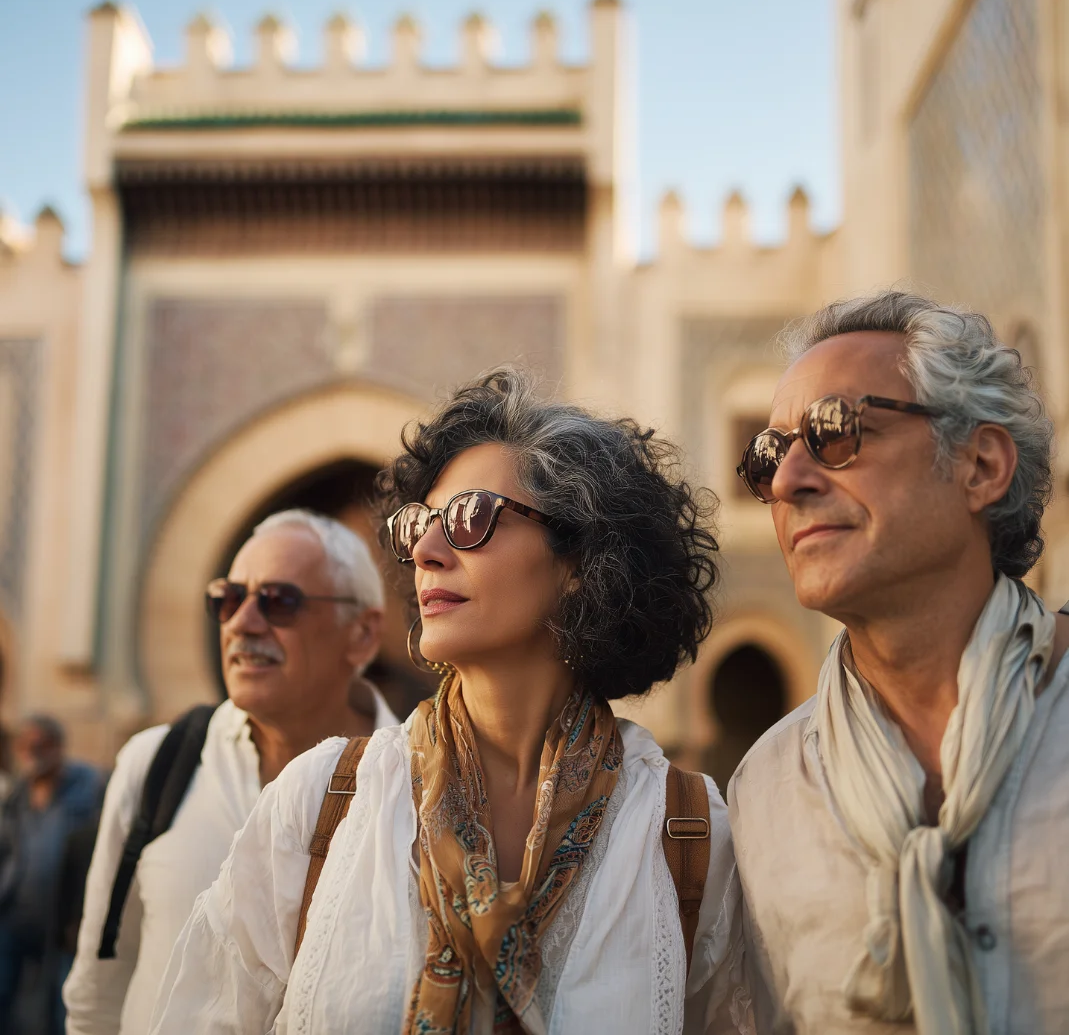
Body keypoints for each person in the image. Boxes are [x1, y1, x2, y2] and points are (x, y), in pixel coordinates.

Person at [149, 369, 750, 1034]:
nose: (426, 553)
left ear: (579, 558)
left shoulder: (682, 834)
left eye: (470, 518)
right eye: (418, 525)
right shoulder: (322, 805)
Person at [729, 291, 1069, 1034]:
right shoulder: (765, 790)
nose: (786, 482)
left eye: (833, 431)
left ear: (979, 465)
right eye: (768, 453)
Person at [64, 509, 397, 1035]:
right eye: (228, 599)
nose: (243, 622)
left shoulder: (414, 791)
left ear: (361, 633)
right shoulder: (156, 765)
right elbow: (97, 991)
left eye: (279, 601)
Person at [0, 715, 103, 1035]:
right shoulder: (17, 796)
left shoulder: (88, 789)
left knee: (58, 1007)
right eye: (25, 746)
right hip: (14, 914)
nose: (32, 753)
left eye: (40, 745)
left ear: (58, 747)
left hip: (62, 919)